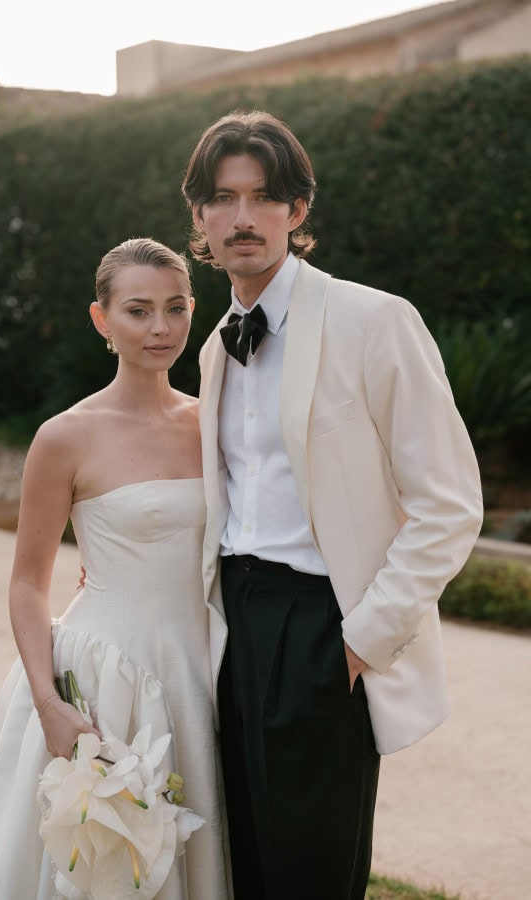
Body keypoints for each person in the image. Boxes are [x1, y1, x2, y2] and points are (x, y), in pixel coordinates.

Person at [181, 110, 484, 900]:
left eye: (262, 197)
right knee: (244, 860)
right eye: (223, 198)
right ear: (201, 218)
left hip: (321, 628)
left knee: (312, 872)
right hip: (233, 629)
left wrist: (360, 641)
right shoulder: (217, 344)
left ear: (297, 209)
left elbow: (449, 505)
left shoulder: (375, 320)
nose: (242, 217)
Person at [0, 238, 230, 900]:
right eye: (138, 310)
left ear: (194, 310)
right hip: (106, 679)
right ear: (101, 319)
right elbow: (28, 582)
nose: (161, 328)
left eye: (176, 308)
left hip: (202, 668)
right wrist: (49, 702)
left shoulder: (215, 422)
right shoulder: (64, 437)